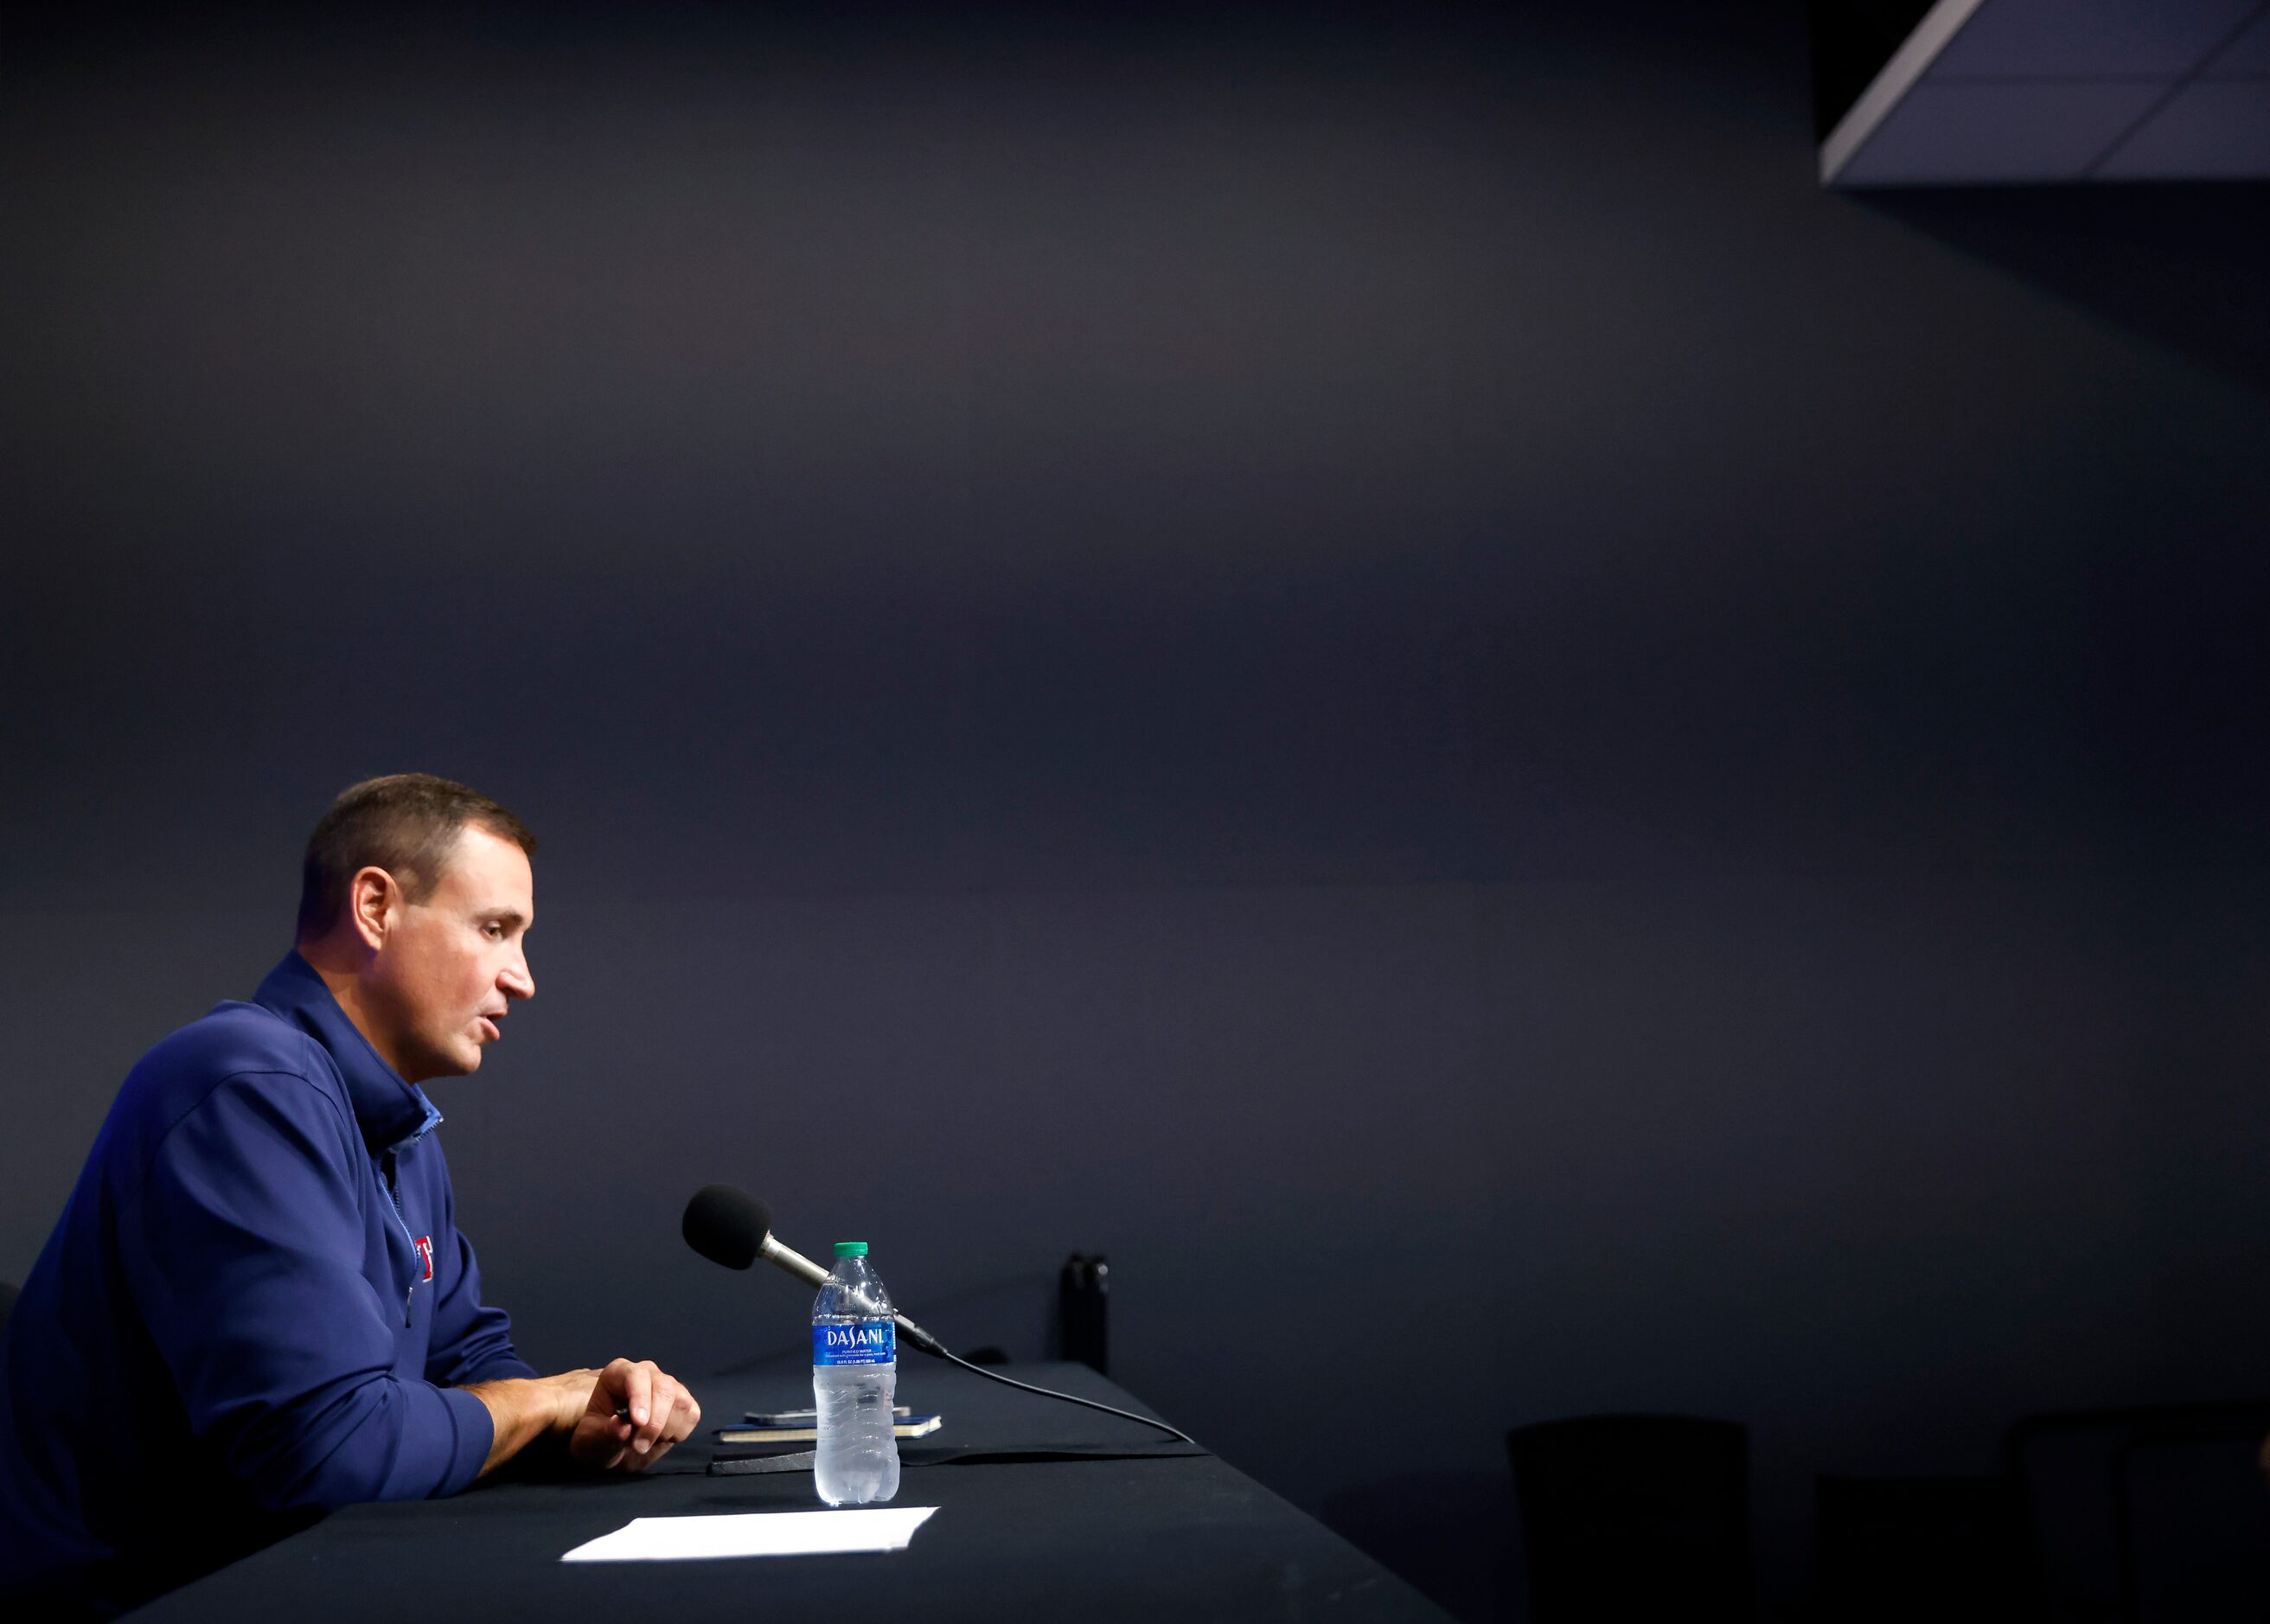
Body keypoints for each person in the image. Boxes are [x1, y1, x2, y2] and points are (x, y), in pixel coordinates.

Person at [0, 774, 700, 1617]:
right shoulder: (246, 1085)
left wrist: (577, 1421)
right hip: (136, 1604)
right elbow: (329, 1450)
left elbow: (466, 1359)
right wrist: (541, 1401)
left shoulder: (393, 1123)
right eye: (494, 930)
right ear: (375, 908)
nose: (522, 979)